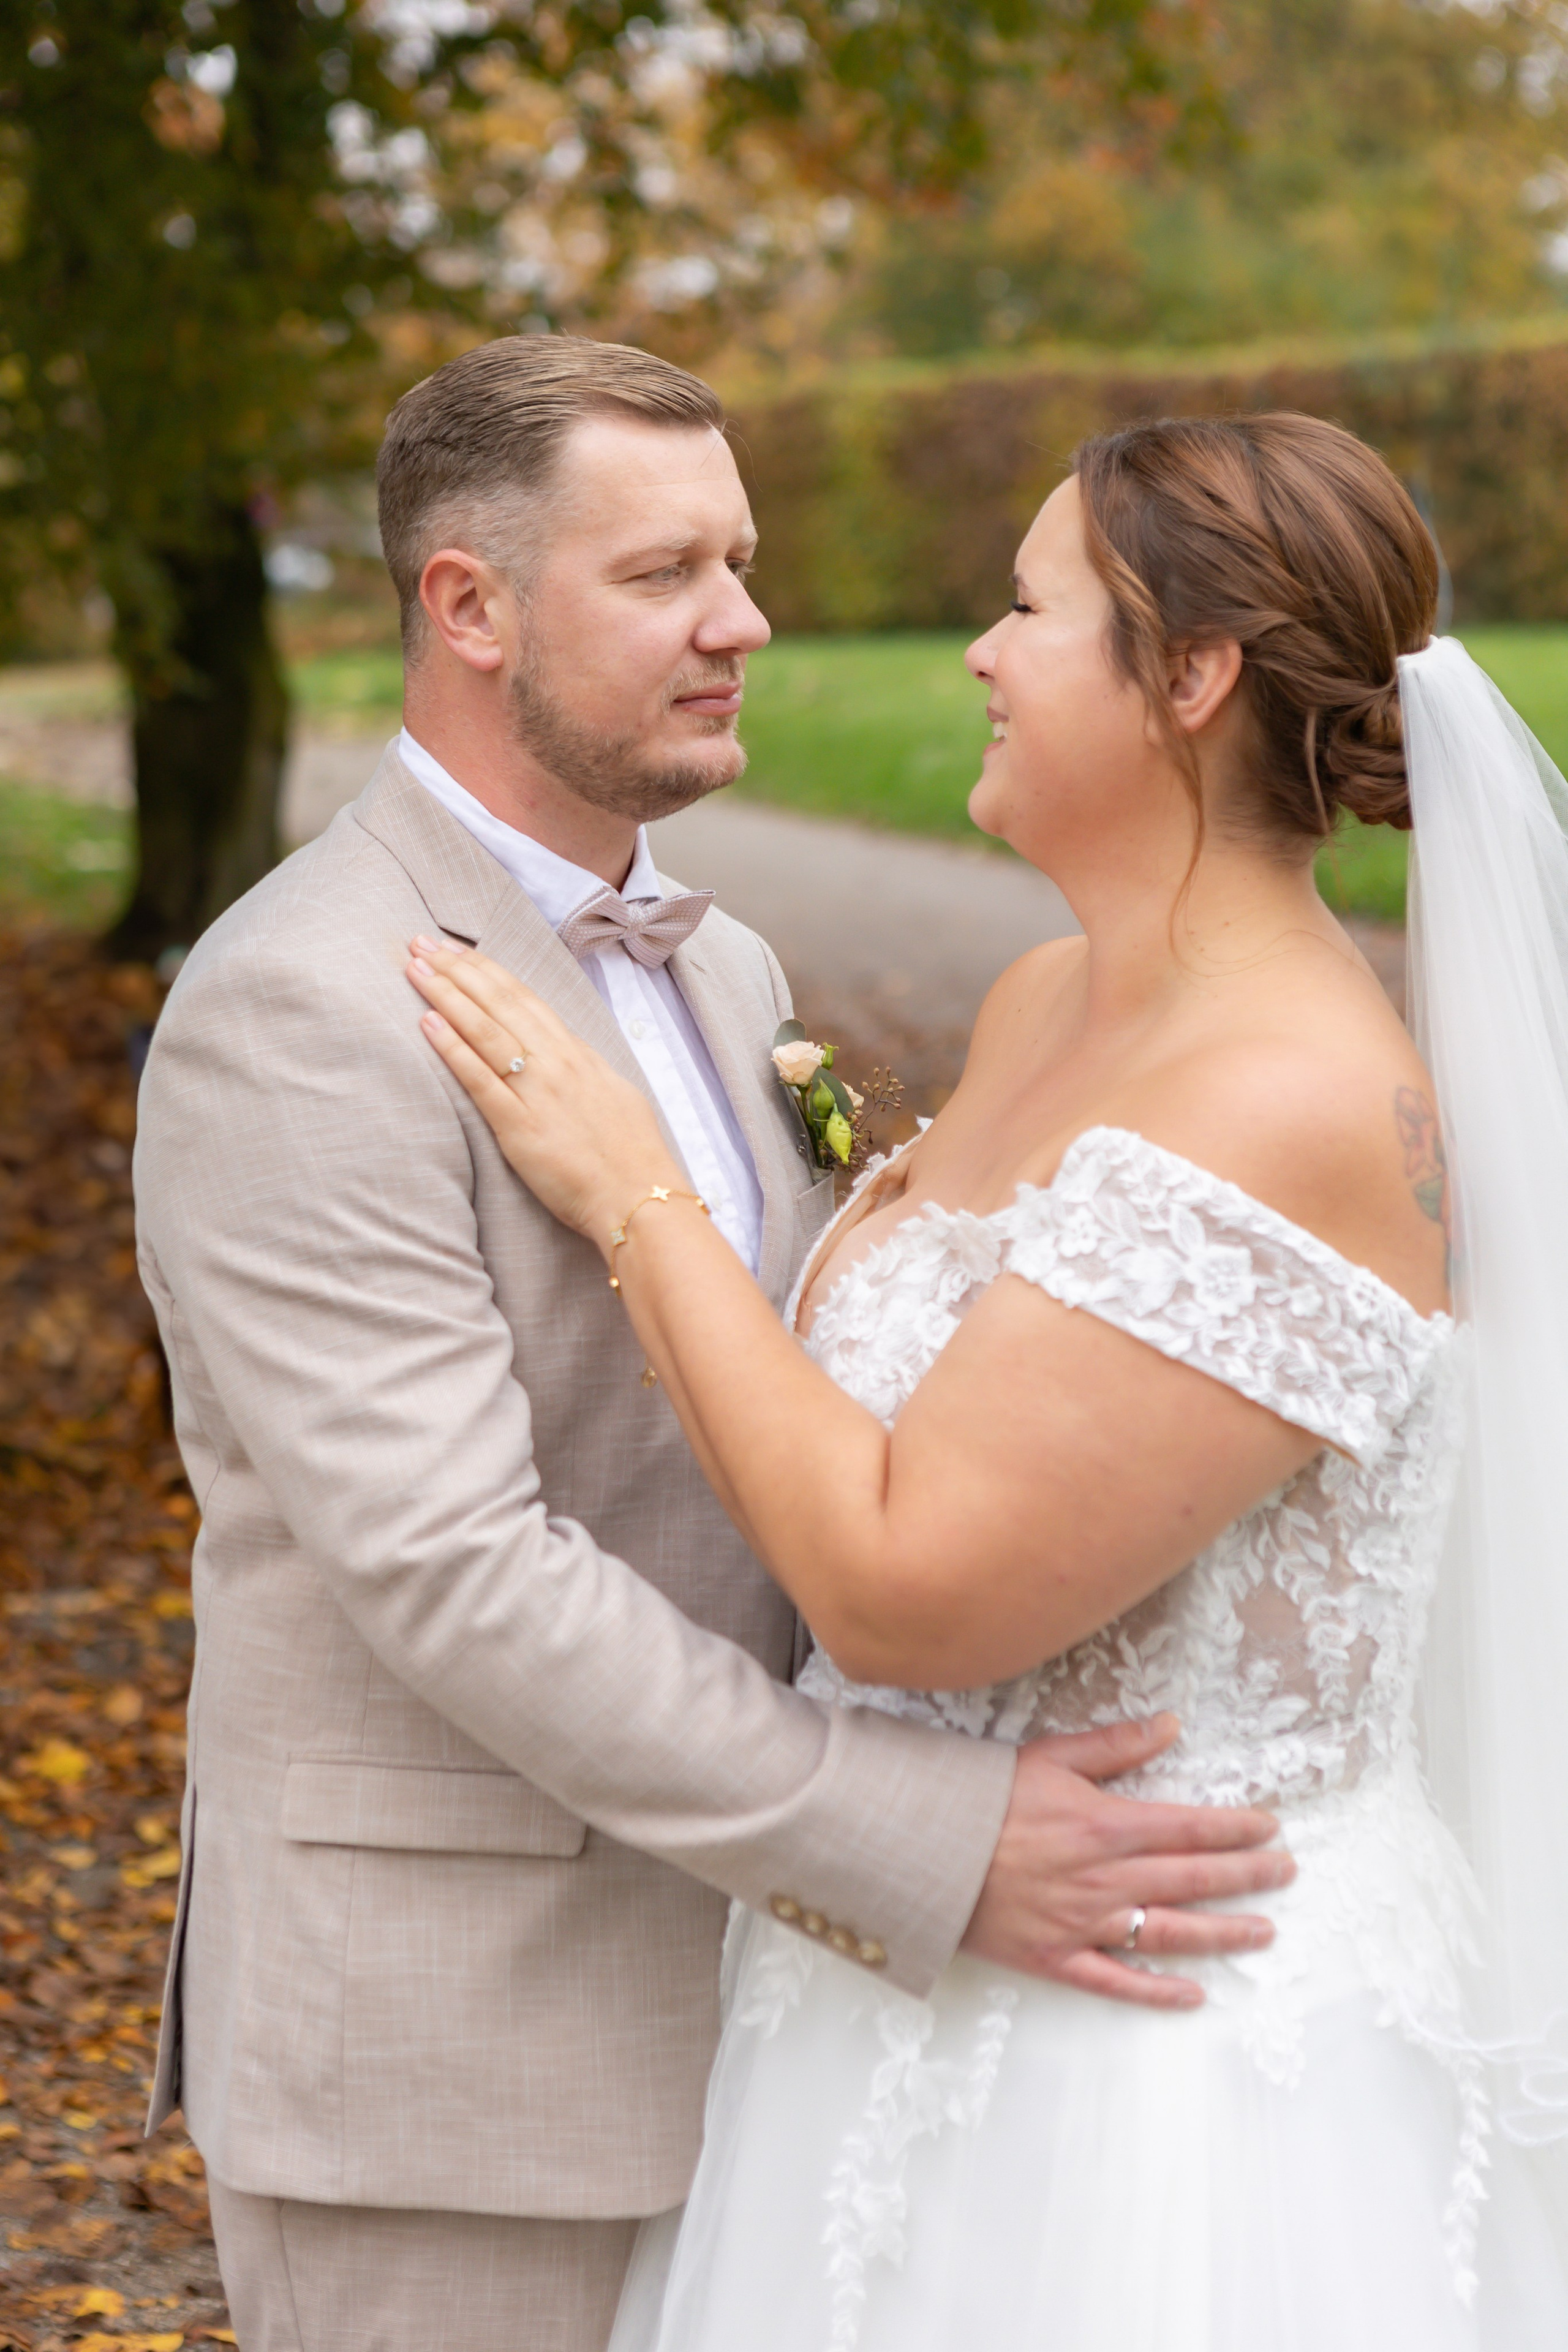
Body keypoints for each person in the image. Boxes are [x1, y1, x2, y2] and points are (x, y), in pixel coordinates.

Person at [132, 339, 1290, 2352]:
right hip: (458, 2064)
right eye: (665, 574)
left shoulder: (725, 955)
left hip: (764, 2019)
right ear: (467, 607)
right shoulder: (301, 1007)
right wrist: (918, 1836)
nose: (743, 623)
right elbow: (452, 1569)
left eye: (739, 560)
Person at [409, 410, 1568, 2346]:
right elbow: (829, 1421)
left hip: (1158, 2074)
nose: (979, 651)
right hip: (886, 1983)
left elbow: (902, 1583)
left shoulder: (1284, 1095)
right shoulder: (1050, 997)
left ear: (1187, 678)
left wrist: (634, 1197)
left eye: (1030, 608)